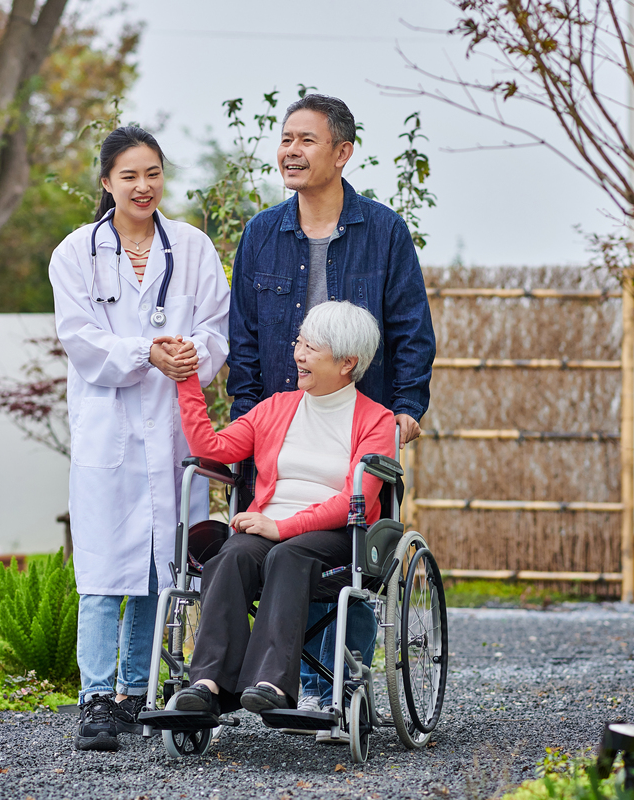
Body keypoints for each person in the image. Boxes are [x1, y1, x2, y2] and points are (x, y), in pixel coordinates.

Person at [225, 93, 436, 738]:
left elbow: (410, 330)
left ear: (342, 153)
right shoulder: (262, 233)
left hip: (356, 424)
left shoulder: (383, 232)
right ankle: (239, 680)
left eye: (306, 140)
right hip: (276, 429)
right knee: (251, 549)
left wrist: (406, 408)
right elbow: (244, 345)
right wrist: (241, 432)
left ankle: (334, 684)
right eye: (286, 138)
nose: (290, 150)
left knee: (348, 546)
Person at [48, 126, 230, 752]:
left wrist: (190, 353)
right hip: (109, 428)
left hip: (175, 428)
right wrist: (144, 352)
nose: (143, 186)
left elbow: (216, 328)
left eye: (153, 173)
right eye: (129, 175)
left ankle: (134, 691)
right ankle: (95, 697)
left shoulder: (194, 248)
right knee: (101, 572)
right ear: (106, 182)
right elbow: (80, 339)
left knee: (160, 566)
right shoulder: (75, 253)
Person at [170, 302, 395, 716]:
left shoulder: (376, 421)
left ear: (348, 362)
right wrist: (187, 382)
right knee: (233, 554)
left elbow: (353, 502)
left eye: (312, 347)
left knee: (289, 554)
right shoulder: (275, 408)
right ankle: (208, 684)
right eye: (299, 342)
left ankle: (271, 683)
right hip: (268, 527)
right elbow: (211, 449)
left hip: (336, 535)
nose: (299, 354)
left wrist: (282, 527)